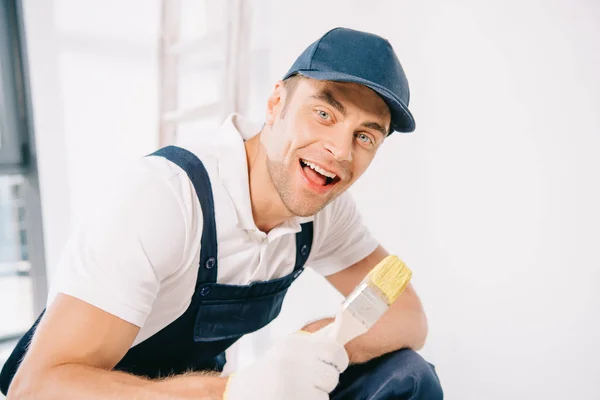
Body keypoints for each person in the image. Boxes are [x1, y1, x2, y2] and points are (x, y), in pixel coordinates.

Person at [0, 27, 443, 399]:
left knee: (408, 377)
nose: (339, 152)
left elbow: (409, 316)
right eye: (324, 112)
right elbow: (36, 387)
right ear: (275, 106)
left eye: (365, 137)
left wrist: (313, 342)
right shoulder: (165, 198)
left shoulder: (324, 209)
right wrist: (236, 391)